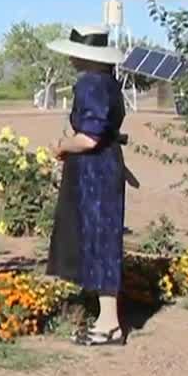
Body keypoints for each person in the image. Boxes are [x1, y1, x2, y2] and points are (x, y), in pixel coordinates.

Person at [45, 25, 130, 346]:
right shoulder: (109, 82)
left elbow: (90, 137)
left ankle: (109, 324)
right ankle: (107, 319)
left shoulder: (91, 84)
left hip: (94, 171)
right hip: (105, 165)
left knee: (99, 240)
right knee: (102, 237)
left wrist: (62, 145)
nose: (71, 58)